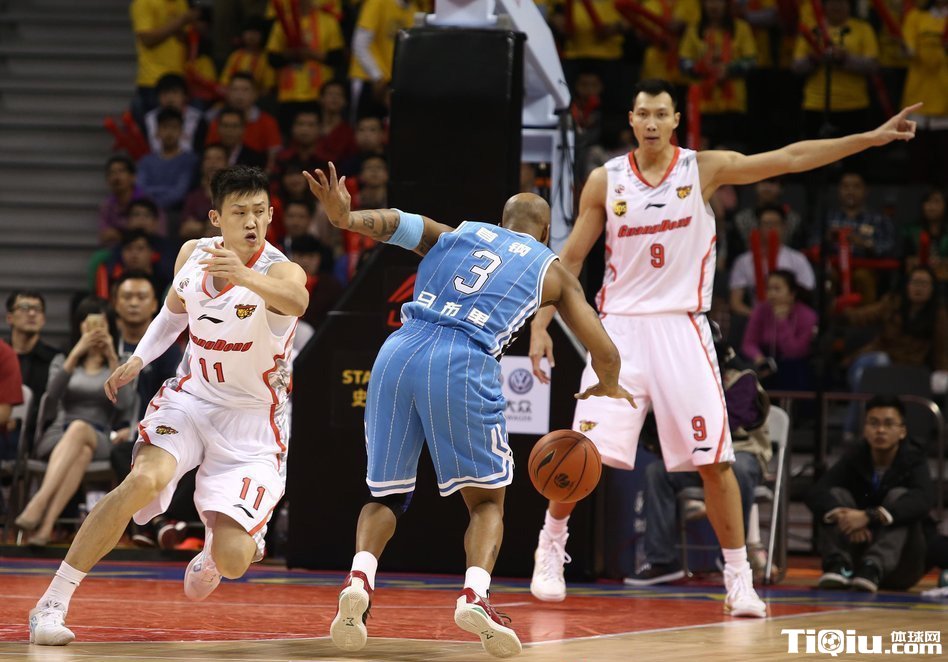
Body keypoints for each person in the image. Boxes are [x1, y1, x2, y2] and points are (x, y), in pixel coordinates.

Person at [526, 78, 920, 617]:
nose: (650, 123)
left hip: (683, 328)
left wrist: (869, 138)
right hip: (617, 332)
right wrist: (541, 324)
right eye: (642, 114)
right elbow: (568, 262)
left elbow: (790, 158)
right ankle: (550, 545)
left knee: (714, 462)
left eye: (660, 114)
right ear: (632, 120)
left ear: (675, 120)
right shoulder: (605, 179)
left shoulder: (702, 169)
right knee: (580, 451)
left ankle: (739, 580)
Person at [304, 163, 636, 658]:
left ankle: (359, 579)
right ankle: (475, 595)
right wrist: (608, 385)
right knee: (486, 503)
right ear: (546, 232)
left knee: (387, 495)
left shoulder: (458, 233)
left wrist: (346, 219)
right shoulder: (553, 270)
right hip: (462, 361)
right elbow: (604, 351)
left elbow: (396, 222)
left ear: (500, 224)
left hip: (398, 352)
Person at [27, 166, 308, 646]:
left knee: (234, 560)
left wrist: (244, 274)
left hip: (252, 422)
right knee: (142, 481)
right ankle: (51, 602)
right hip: (192, 400)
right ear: (216, 218)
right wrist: (138, 359)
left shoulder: (280, 271)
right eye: (240, 212)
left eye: (260, 212)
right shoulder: (193, 254)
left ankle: (219, 547)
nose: (251, 221)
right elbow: (172, 315)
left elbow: (297, 300)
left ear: (270, 215)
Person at [626, 327, 771, 586]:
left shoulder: (742, 379)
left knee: (737, 469)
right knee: (658, 472)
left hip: (740, 453)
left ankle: (732, 557)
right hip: (697, 459)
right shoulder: (680, 379)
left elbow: (727, 424)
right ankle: (662, 562)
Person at [15, 298, 131, 547]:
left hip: (100, 435)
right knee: (81, 453)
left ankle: (38, 502)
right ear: (80, 327)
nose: (95, 331)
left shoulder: (121, 360)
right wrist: (76, 353)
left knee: (80, 429)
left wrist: (112, 357)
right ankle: (45, 528)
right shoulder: (63, 358)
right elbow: (51, 396)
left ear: (110, 328)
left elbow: (125, 405)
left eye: (101, 325)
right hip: (60, 433)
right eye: (89, 324)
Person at [807, 395, 934, 592]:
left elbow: (923, 500)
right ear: (865, 429)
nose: (880, 430)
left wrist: (869, 516)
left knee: (900, 496)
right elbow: (816, 492)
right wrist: (845, 517)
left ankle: (874, 566)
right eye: (874, 423)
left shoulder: (914, 459)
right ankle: (839, 565)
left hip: (901, 564)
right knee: (836, 496)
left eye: (888, 424)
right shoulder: (855, 456)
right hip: (857, 556)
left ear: (902, 431)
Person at [728, 204, 815, 318]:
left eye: (775, 224)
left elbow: (806, 294)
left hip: (790, 317)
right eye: (766, 224)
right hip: (756, 317)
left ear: (784, 227)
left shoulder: (798, 259)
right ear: (758, 227)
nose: (771, 228)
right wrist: (759, 317)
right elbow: (735, 303)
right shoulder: (743, 261)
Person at [741, 270, 818, 391]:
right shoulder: (760, 310)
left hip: (794, 366)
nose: (771, 294)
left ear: (792, 293)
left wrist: (782, 322)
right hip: (764, 361)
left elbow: (795, 352)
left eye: (777, 289)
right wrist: (759, 358)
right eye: (769, 289)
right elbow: (749, 343)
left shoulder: (807, 315)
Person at [4, 291, 60, 455]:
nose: (31, 313)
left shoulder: (54, 359)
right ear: (9, 318)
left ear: (43, 319)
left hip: (37, 435)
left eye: (37, 309)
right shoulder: (2, 356)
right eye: (24, 307)